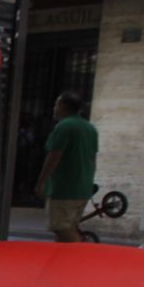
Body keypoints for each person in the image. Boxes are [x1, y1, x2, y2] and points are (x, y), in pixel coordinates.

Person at [34, 91, 99, 243]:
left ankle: (80, 258)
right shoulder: (90, 128)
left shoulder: (64, 127)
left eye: (57, 104)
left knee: (60, 227)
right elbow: (92, 159)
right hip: (82, 187)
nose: (54, 108)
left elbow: (54, 156)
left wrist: (41, 182)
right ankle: (64, 263)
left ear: (63, 106)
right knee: (70, 227)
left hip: (64, 188)